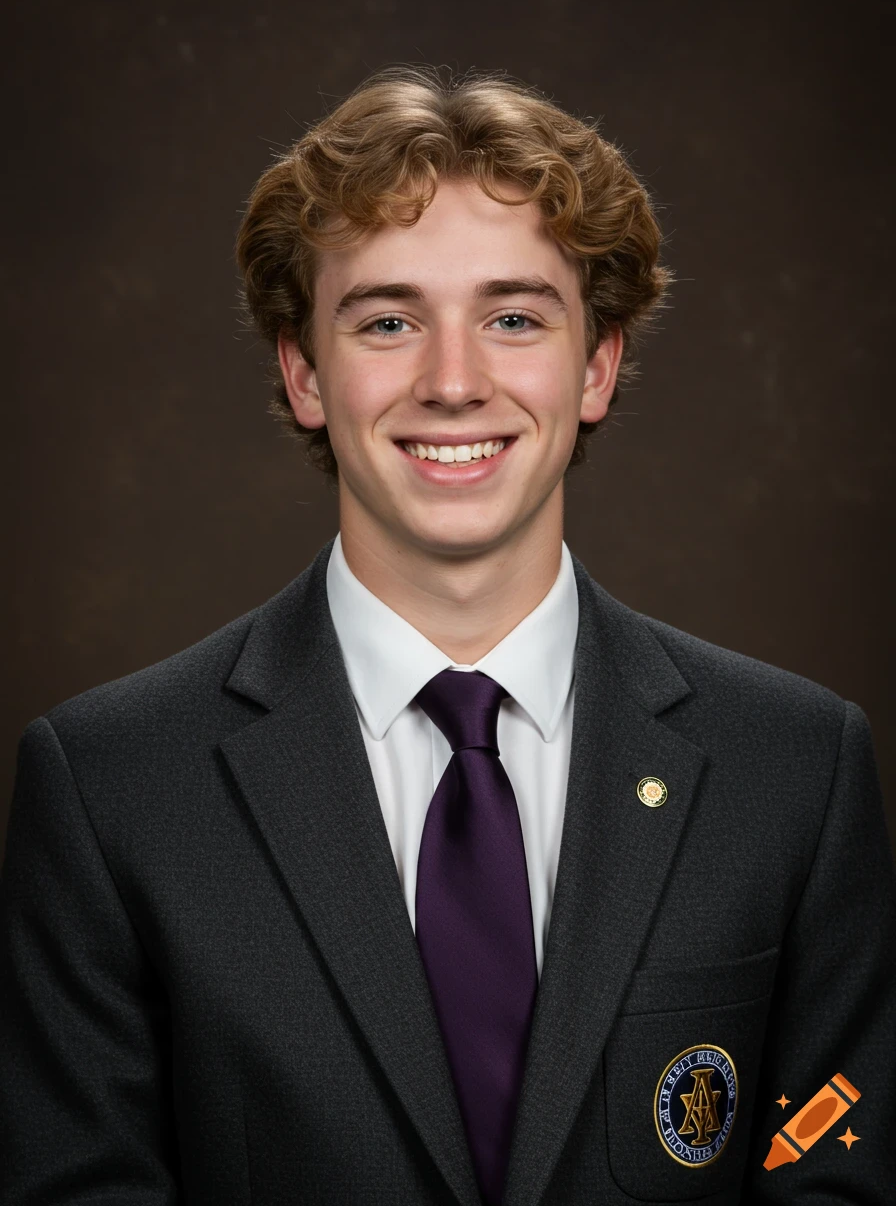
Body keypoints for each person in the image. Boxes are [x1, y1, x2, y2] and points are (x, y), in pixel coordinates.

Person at [1, 65, 893, 1206]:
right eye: (386, 320)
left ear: (597, 367)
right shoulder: (112, 785)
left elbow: (839, 1177)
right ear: (303, 371)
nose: (454, 381)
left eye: (513, 317)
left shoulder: (794, 767)